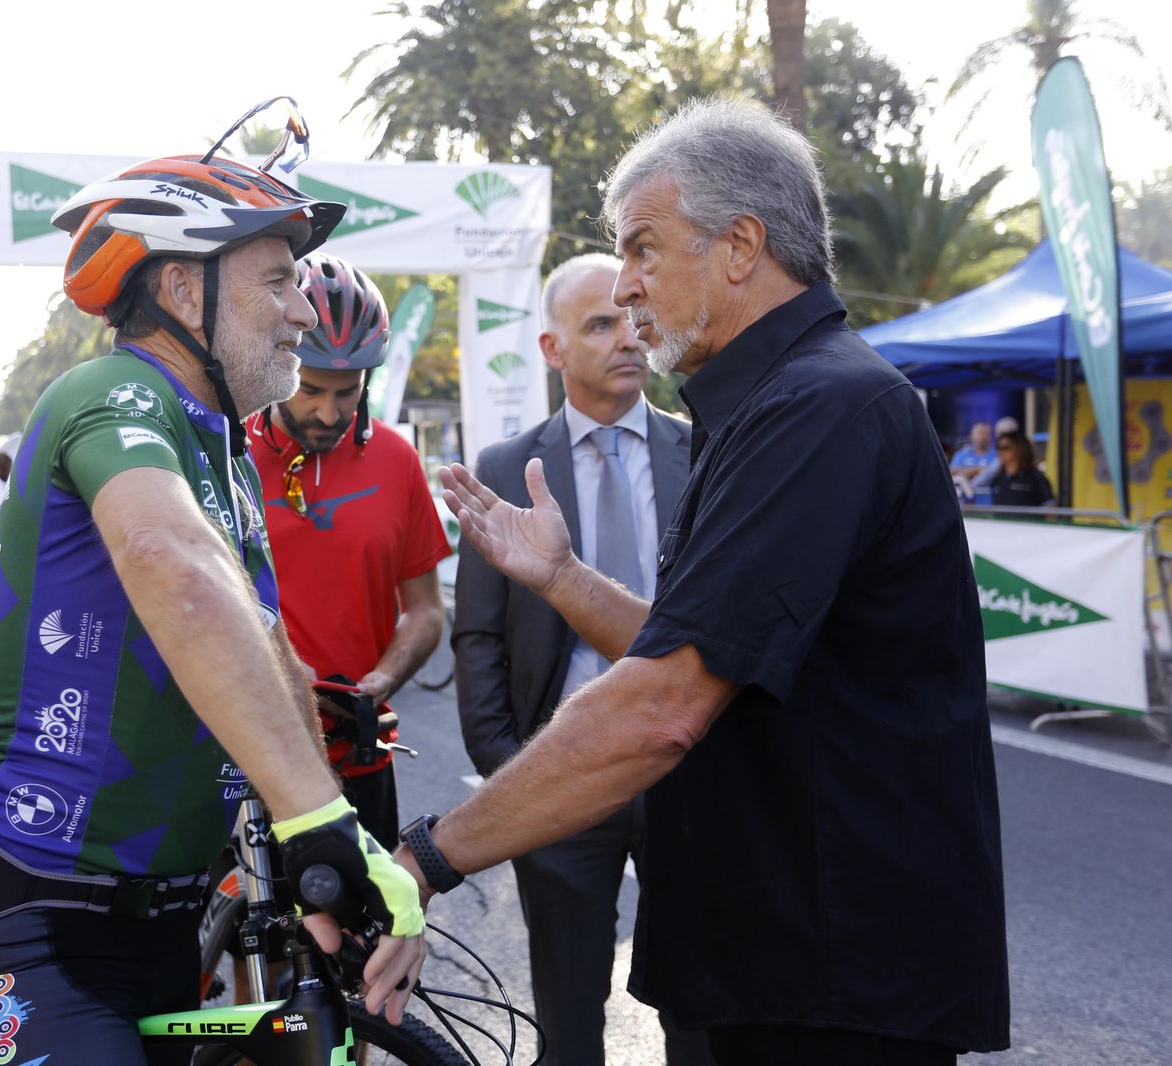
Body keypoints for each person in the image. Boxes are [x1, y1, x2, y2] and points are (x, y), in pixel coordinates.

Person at [402, 99, 1010, 1065]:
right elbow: (708, 644)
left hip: (831, 980)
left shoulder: (821, 406)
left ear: (740, 247)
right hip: (781, 957)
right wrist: (561, 577)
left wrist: (423, 859)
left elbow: (665, 704)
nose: (628, 285)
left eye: (643, 249)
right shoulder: (775, 401)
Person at [0, 147, 424, 1066]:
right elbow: (170, 557)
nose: (303, 310)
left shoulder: (223, 451)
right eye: (278, 281)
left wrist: (333, 841)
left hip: (160, 918)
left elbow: (271, 649)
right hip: (29, 915)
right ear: (187, 292)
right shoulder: (109, 392)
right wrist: (316, 815)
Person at [453, 252, 701, 1066]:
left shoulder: (702, 452)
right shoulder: (506, 469)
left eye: (631, 319)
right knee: (568, 1009)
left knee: (702, 1004)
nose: (627, 337)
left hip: (685, 771)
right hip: (562, 773)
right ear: (553, 348)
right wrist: (508, 761)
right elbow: (478, 634)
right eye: (599, 324)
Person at [248, 251, 450, 847]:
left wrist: (381, 679)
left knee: (367, 938)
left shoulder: (396, 460)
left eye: (348, 392)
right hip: (243, 756)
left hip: (361, 755)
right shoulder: (225, 454)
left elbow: (426, 610)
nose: (329, 412)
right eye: (310, 389)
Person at [987, 430, 1054, 507]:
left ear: (1019, 449)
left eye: (1005, 448)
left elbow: (1051, 509)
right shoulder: (997, 479)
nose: (1000, 451)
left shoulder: (1036, 478)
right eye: (998, 447)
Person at [950, 421, 994, 503]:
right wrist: (978, 471)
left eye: (986, 433)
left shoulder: (997, 455)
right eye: (980, 433)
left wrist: (965, 472)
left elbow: (993, 473)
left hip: (989, 501)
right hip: (962, 503)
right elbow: (951, 472)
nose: (983, 437)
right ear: (971, 435)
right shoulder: (961, 454)